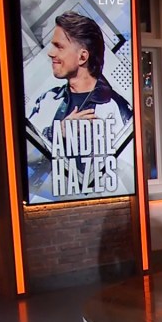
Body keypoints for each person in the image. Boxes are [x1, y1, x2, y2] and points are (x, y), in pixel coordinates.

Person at [25, 11, 133, 202]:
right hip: (49, 200)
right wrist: (58, 132)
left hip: (101, 205)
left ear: (83, 56)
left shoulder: (117, 109)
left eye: (59, 47)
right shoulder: (48, 100)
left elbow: (128, 172)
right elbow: (25, 156)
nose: (51, 53)